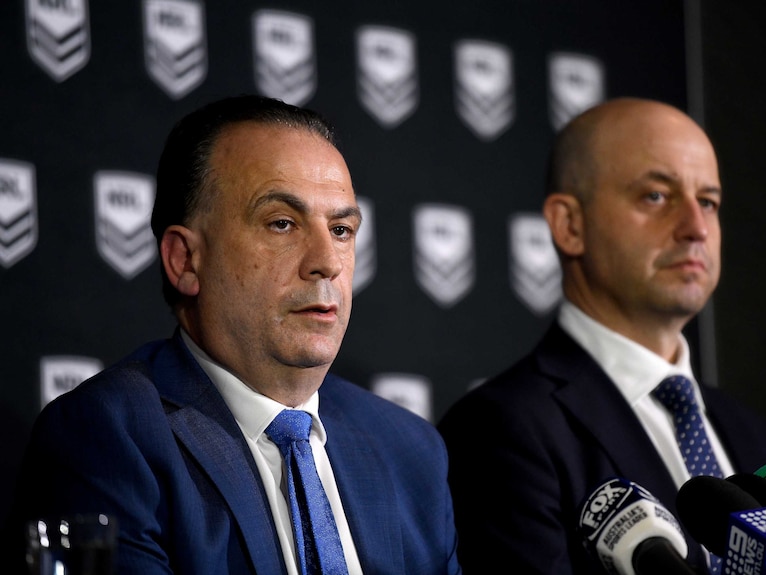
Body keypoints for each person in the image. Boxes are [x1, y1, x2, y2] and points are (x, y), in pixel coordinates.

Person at [7, 95, 461, 575]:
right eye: (282, 223)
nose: (327, 261)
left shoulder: (411, 454)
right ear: (185, 260)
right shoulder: (110, 436)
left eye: (342, 229)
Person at [437, 98, 766, 574]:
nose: (695, 228)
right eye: (656, 196)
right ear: (570, 225)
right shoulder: (500, 430)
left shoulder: (763, 440)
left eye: (708, 202)